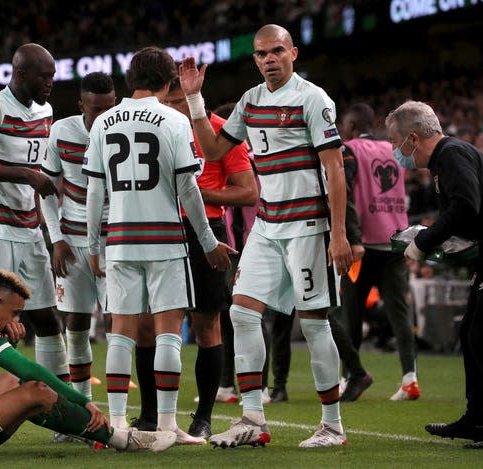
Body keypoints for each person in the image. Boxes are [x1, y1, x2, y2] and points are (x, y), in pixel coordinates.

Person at [179, 24, 353, 448]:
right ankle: (252, 419)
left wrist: (340, 233)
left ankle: (332, 426)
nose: (269, 59)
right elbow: (215, 150)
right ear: (255, 60)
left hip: (310, 226)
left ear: (292, 52)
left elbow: (334, 169)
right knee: (240, 312)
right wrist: (194, 99)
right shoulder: (250, 101)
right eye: (261, 54)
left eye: (277, 51)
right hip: (268, 225)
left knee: (313, 323)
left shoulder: (313, 99)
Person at [82, 46, 235, 445]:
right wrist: (208, 242)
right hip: (166, 238)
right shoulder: (173, 120)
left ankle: (115, 427)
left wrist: (94, 245)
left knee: (121, 331)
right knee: (168, 332)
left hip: (120, 238)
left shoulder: (102, 123)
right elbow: (189, 190)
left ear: (130, 80)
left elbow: (94, 192)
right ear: (169, 82)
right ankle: (167, 427)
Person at [0, 268, 176, 459]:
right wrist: (83, 400)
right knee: (36, 390)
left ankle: (81, 428)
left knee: (15, 383)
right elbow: (29, 370)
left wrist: (7, 342)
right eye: (14, 313)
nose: (16, 321)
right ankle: (120, 439)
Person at [130, 73, 258, 438]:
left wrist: (194, 195)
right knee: (144, 325)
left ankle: (203, 417)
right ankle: (150, 416)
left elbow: (248, 193)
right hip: (157, 232)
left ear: (192, 99)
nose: (170, 110)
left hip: (205, 237)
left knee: (206, 324)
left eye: (177, 102)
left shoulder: (219, 132)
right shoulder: (151, 132)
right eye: (165, 103)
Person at [0, 44, 69, 392]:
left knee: (48, 317)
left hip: (28, 229)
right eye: (44, 75)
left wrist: (50, 229)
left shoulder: (46, 111)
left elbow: (40, 172)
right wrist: (26, 175)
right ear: (20, 74)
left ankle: (60, 404)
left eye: (52, 75)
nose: (51, 82)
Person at [385, 100, 483, 450]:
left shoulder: (451, 155)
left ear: (412, 138)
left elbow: (465, 208)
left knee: (481, 335)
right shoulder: (448, 159)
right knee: (471, 332)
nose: (396, 152)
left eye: (396, 141)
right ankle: (478, 419)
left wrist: (425, 240)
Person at [41, 71, 116, 403]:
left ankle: (118, 409)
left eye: (108, 107)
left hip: (114, 238)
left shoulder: (121, 130)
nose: (103, 115)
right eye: (95, 109)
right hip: (71, 240)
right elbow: (45, 190)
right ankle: (82, 404)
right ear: (81, 104)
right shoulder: (61, 131)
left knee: (119, 320)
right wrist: (56, 238)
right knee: (76, 319)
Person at [336, 102, 417, 401]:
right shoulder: (393, 150)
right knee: (400, 312)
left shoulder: (350, 149)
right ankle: (410, 378)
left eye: (344, 126)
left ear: (352, 126)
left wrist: (351, 236)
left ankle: (349, 377)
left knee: (352, 314)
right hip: (396, 239)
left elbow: (344, 191)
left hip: (365, 243)